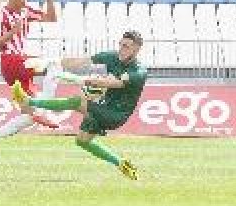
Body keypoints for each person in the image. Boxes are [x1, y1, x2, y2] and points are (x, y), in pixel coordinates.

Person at [9, 31, 147, 181]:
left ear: (136, 49)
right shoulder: (113, 57)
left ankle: (28, 101)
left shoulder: (138, 72)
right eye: (120, 44)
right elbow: (82, 61)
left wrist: (81, 80)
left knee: (76, 101)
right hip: (102, 105)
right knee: (82, 141)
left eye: (126, 46)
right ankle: (122, 164)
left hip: (115, 114)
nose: (121, 48)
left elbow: (112, 83)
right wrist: (53, 62)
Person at [0, 0, 60, 164]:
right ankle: (44, 109)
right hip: (11, 61)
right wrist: (12, 32)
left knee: (29, 117)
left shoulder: (26, 11)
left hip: (19, 66)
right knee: (54, 65)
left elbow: (52, 18)